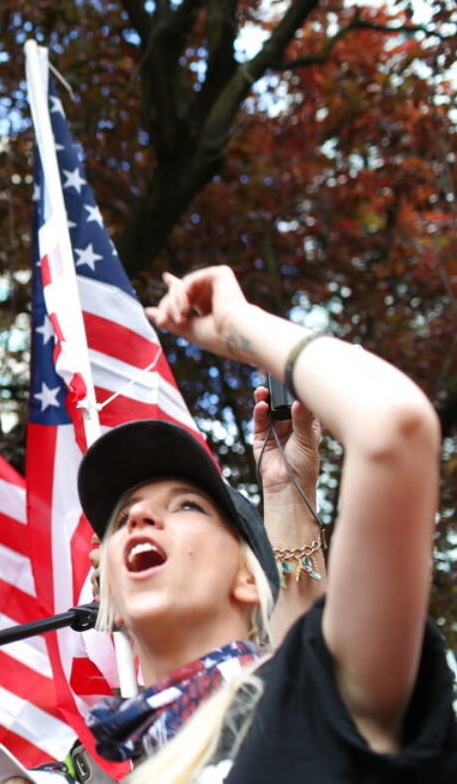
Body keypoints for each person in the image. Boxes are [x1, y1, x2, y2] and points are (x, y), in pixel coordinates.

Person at [75, 266, 454, 781]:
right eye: (122, 519)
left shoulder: (310, 698)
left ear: (250, 579)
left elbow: (396, 428)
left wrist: (240, 324)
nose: (139, 517)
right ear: (109, 601)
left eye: (187, 505)